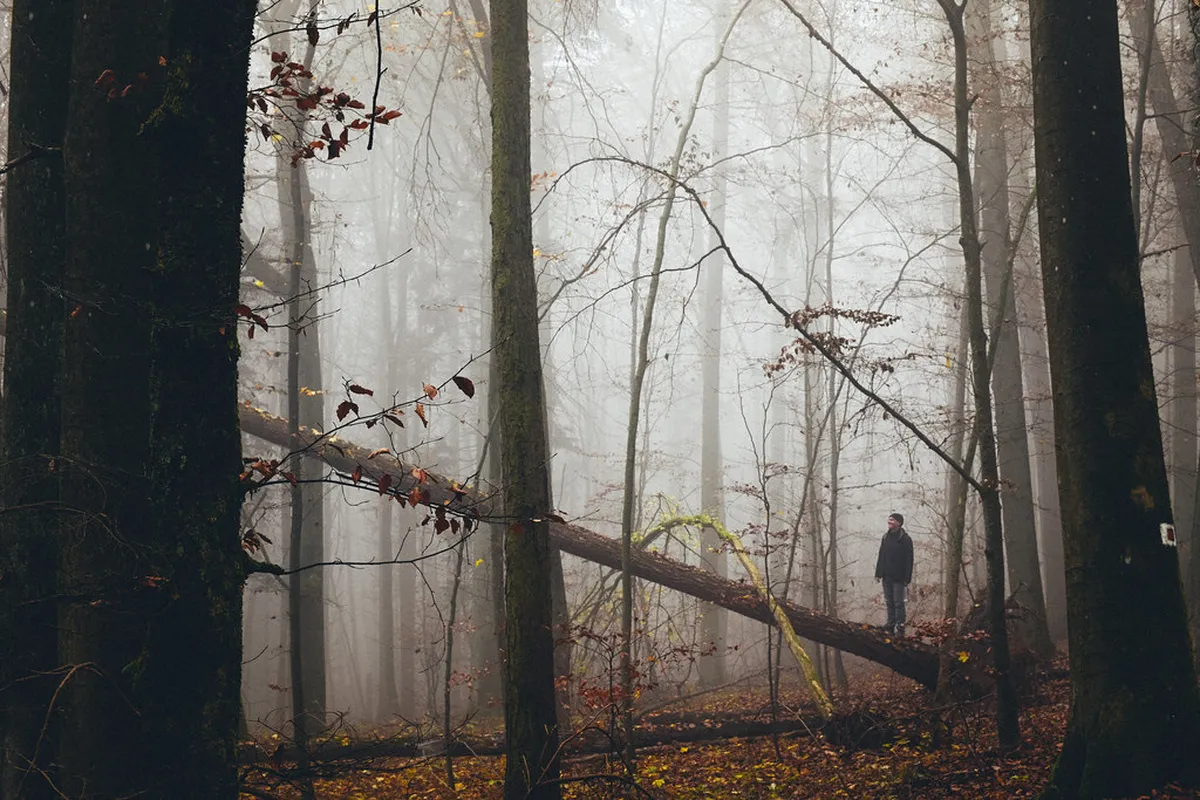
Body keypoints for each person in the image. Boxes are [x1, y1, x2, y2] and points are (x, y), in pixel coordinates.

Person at [874, 512, 914, 636]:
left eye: (892, 520)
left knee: (899, 603)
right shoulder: (885, 537)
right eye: (889, 519)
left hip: (899, 578)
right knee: (889, 602)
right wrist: (878, 573)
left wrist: (907, 578)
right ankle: (890, 625)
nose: (889, 522)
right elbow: (881, 555)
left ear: (899, 523)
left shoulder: (905, 539)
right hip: (887, 576)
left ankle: (900, 627)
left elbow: (909, 559)